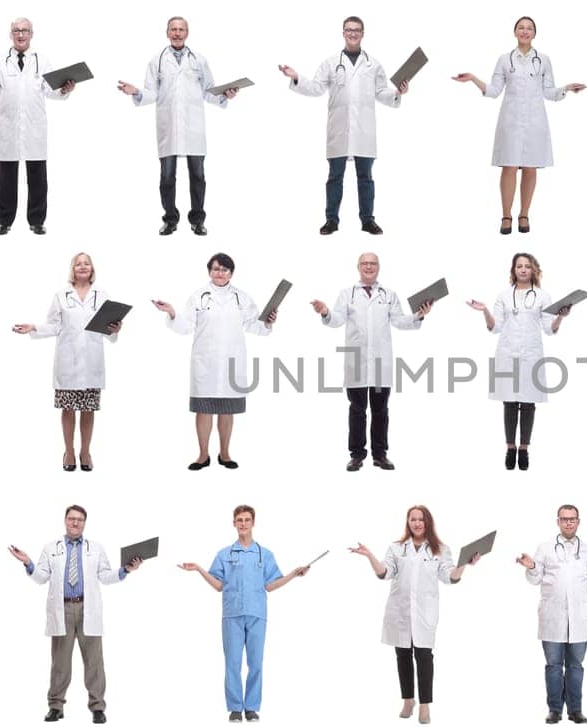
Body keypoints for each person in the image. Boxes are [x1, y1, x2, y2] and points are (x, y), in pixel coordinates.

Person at [8, 505, 143, 725]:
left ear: (84, 523)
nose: (75, 522)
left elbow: (106, 576)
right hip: (62, 610)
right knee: (60, 663)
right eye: (71, 518)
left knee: (94, 662)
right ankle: (56, 706)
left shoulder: (96, 548)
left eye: (79, 519)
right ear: (65, 521)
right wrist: (27, 562)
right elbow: (41, 577)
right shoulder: (51, 547)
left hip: (87, 609)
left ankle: (98, 707)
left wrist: (126, 570)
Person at [451, 17, 584, 234]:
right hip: (511, 121)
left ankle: (524, 214)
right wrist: (474, 79)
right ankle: (506, 216)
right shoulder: (505, 60)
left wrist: (567, 88)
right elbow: (493, 91)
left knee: (531, 167)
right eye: (521, 27)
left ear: (534, 33)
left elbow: (549, 92)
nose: (525, 31)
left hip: (535, 120)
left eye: (529, 28)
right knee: (509, 166)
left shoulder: (543, 60)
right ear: (514, 32)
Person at [178, 505, 310, 723]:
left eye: (247, 520)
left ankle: (251, 707)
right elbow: (218, 585)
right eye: (239, 520)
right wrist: (200, 569)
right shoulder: (225, 554)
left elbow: (271, 585)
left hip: (257, 613)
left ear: (253, 523)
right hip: (232, 615)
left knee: (256, 663)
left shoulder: (264, 554)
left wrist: (294, 574)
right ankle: (235, 708)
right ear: (234, 523)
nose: (243, 523)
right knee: (232, 663)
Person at [279, 15, 409, 235]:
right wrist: (296, 77)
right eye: (349, 29)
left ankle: (368, 220)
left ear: (363, 33)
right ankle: (331, 220)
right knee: (335, 176)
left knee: (366, 178)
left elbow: (381, 92)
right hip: (338, 130)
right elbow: (316, 88)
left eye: (357, 30)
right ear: (343, 33)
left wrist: (398, 92)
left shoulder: (373, 64)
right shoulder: (331, 62)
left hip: (364, 131)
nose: (352, 33)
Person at [350, 506, 478, 725]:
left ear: (428, 522)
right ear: (407, 522)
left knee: (424, 656)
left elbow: (450, 577)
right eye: (413, 519)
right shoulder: (397, 548)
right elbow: (385, 573)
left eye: (421, 519)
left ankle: (425, 705)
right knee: (403, 656)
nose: (417, 523)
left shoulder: (440, 549)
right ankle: (408, 700)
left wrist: (464, 565)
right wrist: (370, 556)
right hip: (400, 611)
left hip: (424, 613)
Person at [151, 253, 275, 470]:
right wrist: (171, 312)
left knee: (227, 410)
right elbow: (185, 326)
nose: (220, 273)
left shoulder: (242, 297)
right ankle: (202, 455)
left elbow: (255, 326)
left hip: (231, 363)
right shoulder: (199, 296)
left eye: (225, 270)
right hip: (206, 363)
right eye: (216, 269)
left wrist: (268, 322)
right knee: (204, 410)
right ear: (209, 271)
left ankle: (225, 454)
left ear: (232, 273)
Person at [311, 253, 431, 471]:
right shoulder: (347, 294)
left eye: (373, 263)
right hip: (356, 361)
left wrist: (418, 315)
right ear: (357, 267)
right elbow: (336, 320)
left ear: (379, 267)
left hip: (380, 363)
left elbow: (400, 321)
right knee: (357, 410)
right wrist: (325, 311)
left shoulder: (389, 294)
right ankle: (356, 455)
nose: (369, 267)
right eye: (364, 263)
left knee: (380, 410)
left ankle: (380, 454)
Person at [119, 16, 238, 236]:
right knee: (167, 177)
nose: (177, 33)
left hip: (193, 127)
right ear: (167, 33)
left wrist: (226, 95)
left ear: (187, 33)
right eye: (173, 29)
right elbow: (152, 93)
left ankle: (198, 220)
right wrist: (136, 92)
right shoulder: (157, 61)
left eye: (181, 29)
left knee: (198, 177)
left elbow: (209, 91)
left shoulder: (199, 60)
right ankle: (171, 219)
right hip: (169, 127)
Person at [0, 17, 76, 236]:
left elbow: (50, 90)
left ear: (31, 34)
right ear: (11, 35)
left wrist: (65, 90)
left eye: (25, 30)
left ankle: (37, 221)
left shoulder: (41, 60)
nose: (21, 34)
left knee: (37, 177)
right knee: (6, 177)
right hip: (9, 127)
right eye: (16, 30)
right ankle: (4, 221)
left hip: (35, 128)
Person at [13, 253, 123, 472]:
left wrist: (115, 330)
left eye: (86, 263)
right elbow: (54, 326)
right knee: (68, 408)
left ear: (92, 269)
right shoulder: (61, 295)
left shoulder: (102, 295)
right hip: (68, 362)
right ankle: (69, 451)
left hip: (92, 362)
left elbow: (108, 331)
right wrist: (34, 328)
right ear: (72, 269)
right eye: (78, 264)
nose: (82, 267)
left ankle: (85, 452)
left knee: (88, 409)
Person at [518, 504, 587, 724]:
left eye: (572, 519)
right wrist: (531, 566)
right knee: (553, 666)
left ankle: (576, 710)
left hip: (579, 619)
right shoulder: (545, 549)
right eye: (564, 519)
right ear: (558, 521)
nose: (568, 522)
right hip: (552, 617)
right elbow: (534, 579)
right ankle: (555, 709)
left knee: (575, 667)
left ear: (578, 521)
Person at [466, 253, 569, 470]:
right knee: (510, 402)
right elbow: (495, 327)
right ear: (513, 270)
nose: (523, 270)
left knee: (529, 403)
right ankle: (510, 447)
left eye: (527, 266)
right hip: (507, 352)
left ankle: (524, 449)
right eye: (519, 266)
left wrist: (561, 317)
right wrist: (484, 310)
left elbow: (550, 330)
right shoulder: (504, 295)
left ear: (534, 270)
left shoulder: (543, 296)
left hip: (531, 354)